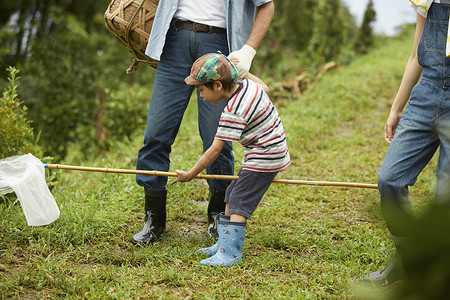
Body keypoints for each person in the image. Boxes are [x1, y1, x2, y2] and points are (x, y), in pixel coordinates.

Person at [132, 0, 275, 245]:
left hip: (220, 46)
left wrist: (248, 50)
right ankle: (153, 218)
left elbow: (267, 6)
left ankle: (218, 214)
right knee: (156, 133)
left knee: (217, 138)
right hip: (174, 39)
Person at [171, 52, 291, 267]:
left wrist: (190, 174)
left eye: (201, 90)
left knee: (239, 202)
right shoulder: (249, 86)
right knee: (231, 193)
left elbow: (214, 150)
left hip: (264, 156)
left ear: (217, 85)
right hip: (270, 149)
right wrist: (244, 72)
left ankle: (230, 255)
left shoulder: (233, 111)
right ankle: (223, 244)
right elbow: (265, 87)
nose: (200, 96)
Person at [364, 0, 450, 285]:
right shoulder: (428, 1)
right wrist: (396, 108)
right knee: (390, 178)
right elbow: (416, 55)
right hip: (427, 92)